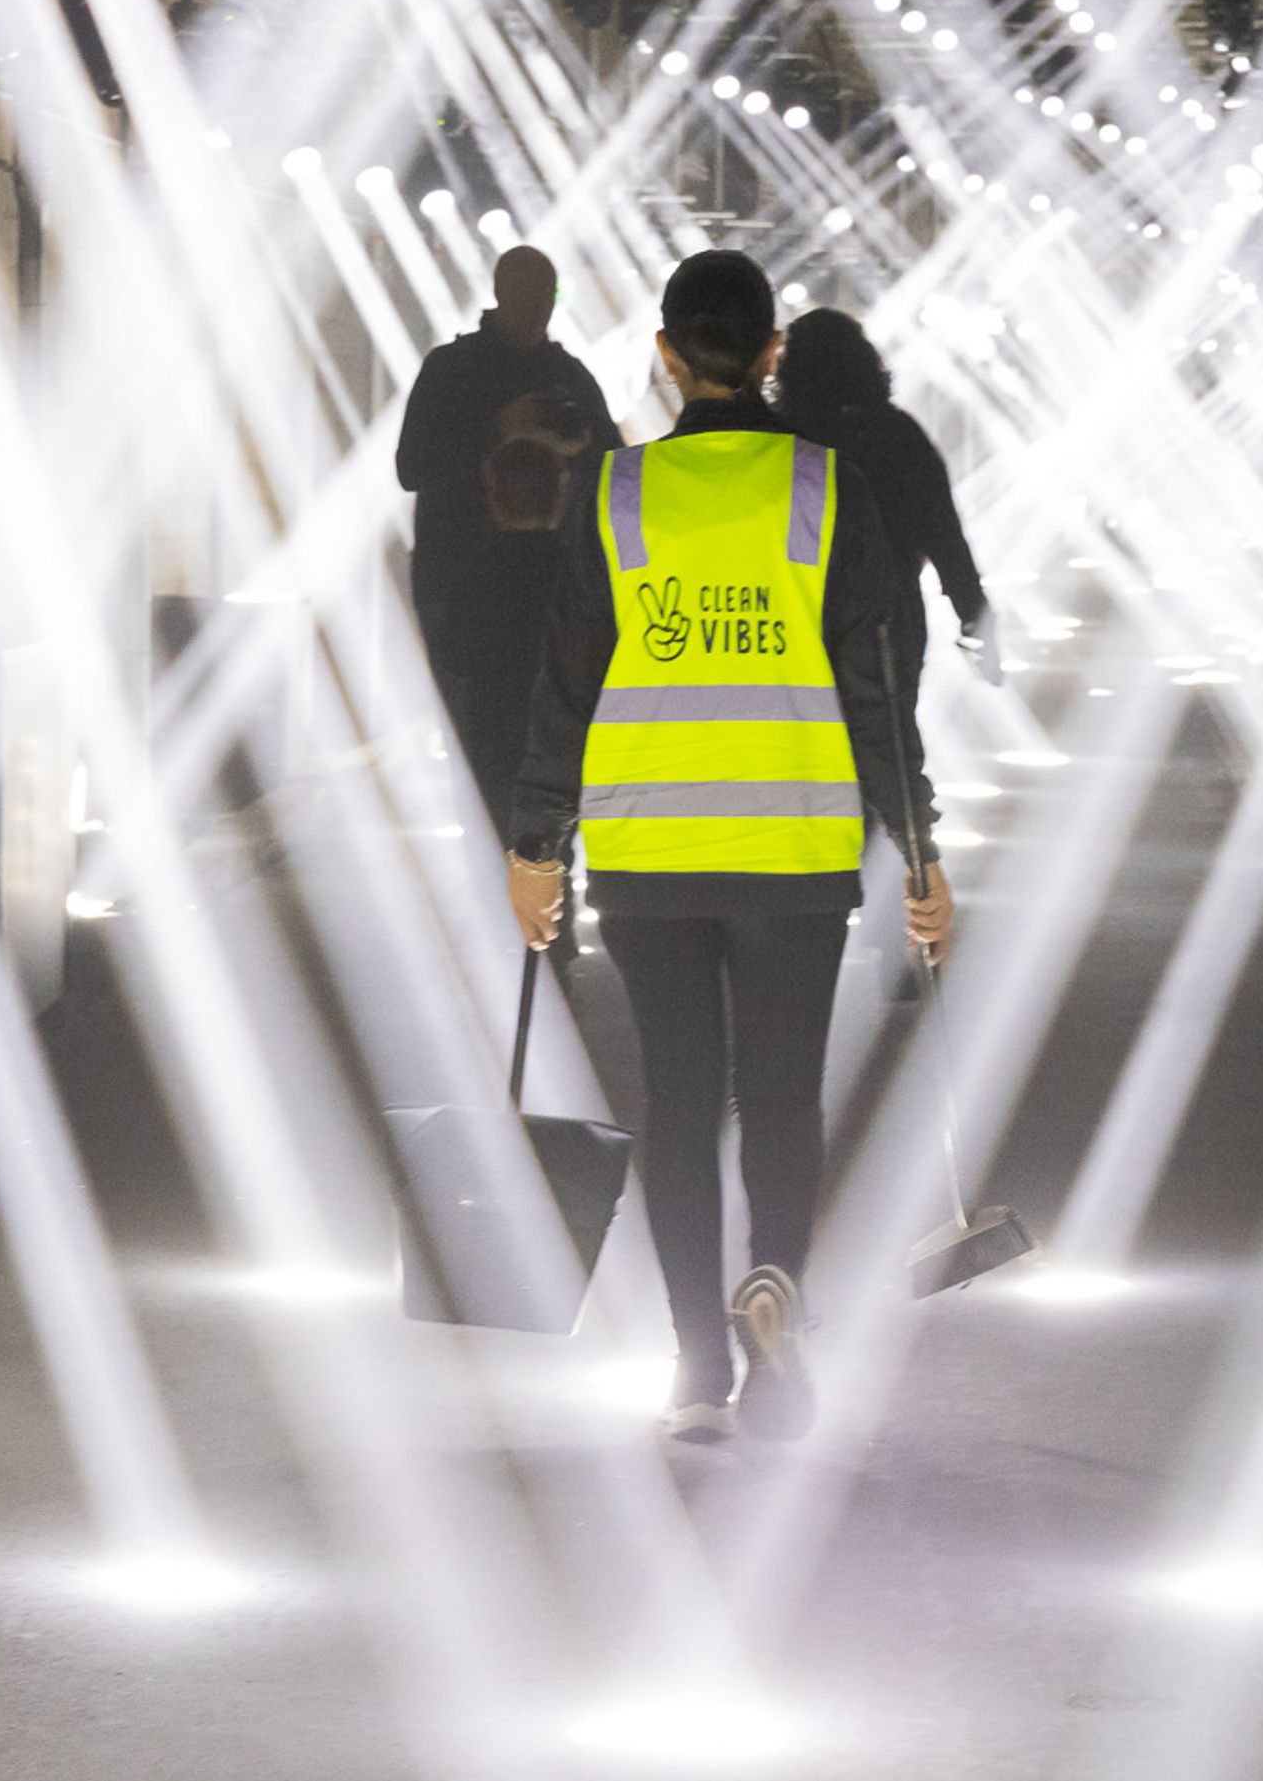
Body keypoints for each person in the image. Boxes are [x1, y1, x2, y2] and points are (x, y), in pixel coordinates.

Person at [507, 250, 951, 1446]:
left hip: (652, 849)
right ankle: (779, 1300)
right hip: (794, 846)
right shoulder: (829, 488)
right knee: (781, 1097)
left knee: (680, 1097)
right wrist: (919, 850)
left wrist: (537, 842)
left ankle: (699, 1366)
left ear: (664, 355)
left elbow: (567, 679)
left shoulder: (614, 494)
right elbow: (877, 687)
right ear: (768, 355)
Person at [395, 245, 610, 841]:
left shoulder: (567, 377)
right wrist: (499, 428)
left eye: (545, 296)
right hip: (465, 585)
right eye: (527, 294)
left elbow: (612, 464)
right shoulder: (452, 369)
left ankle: (537, 870)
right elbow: (412, 467)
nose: (536, 307)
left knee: (542, 739)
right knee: (482, 743)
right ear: (499, 292)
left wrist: (574, 444)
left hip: (544, 584)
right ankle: (511, 871)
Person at [771, 308, 995, 759]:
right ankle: (899, 825)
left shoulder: (775, 438)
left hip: (794, 617)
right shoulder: (897, 433)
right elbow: (944, 536)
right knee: (890, 745)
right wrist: (976, 619)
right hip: (888, 619)